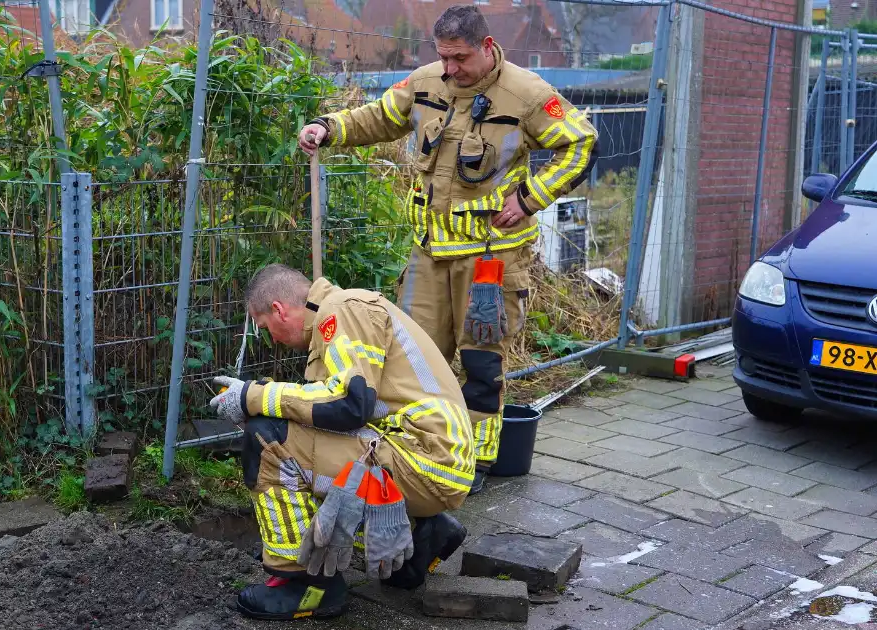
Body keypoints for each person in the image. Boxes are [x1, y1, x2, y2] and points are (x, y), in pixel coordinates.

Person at [298, 4, 599, 495]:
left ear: (486, 46)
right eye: (443, 57)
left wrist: (529, 199)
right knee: (414, 357)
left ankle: (476, 465)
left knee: (481, 363)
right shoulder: (425, 81)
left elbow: (580, 144)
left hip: (491, 259)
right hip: (428, 253)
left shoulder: (528, 93)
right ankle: (419, 453)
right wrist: (328, 128)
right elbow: (379, 117)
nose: (450, 69)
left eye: (459, 59)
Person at [209, 264, 474, 621]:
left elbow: (351, 403)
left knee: (269, 441)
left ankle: (306, 584)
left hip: (423, 456)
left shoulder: (344, 308)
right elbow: (333, 412)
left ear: (278, 309)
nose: (270, 337)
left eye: (264, 327)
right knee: (289, 434)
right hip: (427, 454)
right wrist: (261, 400)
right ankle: (420, 540)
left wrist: (253, 397)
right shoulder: (338, 319)